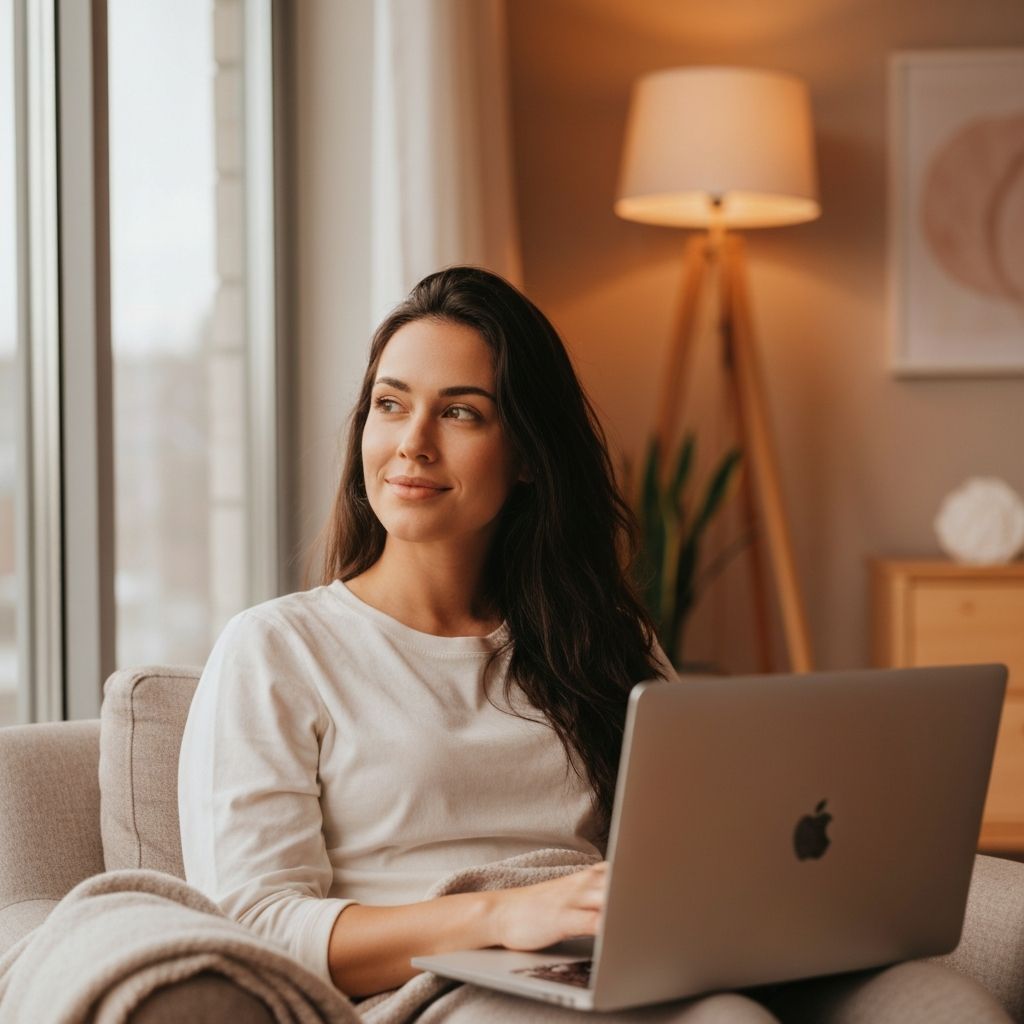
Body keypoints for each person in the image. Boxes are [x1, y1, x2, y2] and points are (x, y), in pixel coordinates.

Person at [178, 267, 1008, 1023]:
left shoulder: (601, 641)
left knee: (946, 1008)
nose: (413, 442)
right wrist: (505, 916)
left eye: (461, 411)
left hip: (616, 962)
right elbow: (254, 923)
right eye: (391, 404)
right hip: (438, 989)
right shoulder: (278, 649)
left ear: (529, 456)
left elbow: (705, 837)